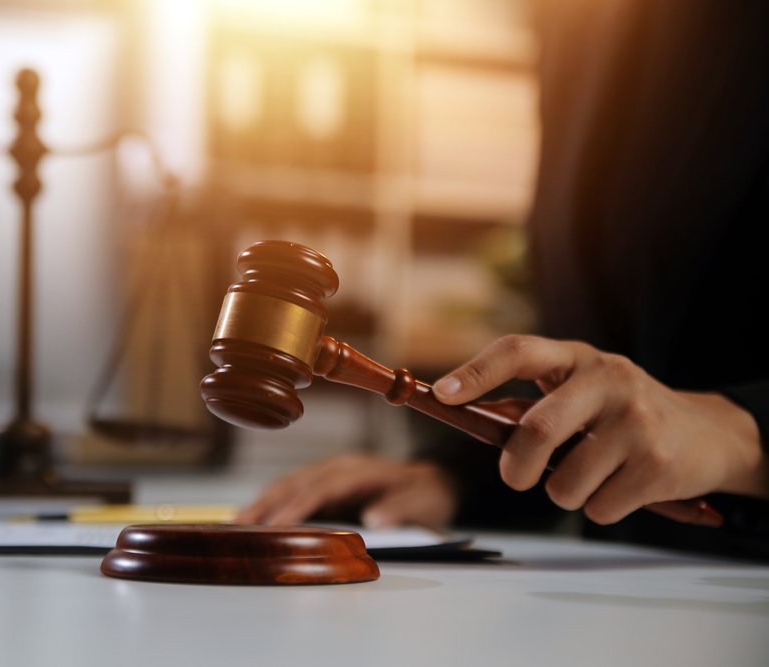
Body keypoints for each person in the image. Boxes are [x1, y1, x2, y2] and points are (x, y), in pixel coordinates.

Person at [236, 0, 769, 559]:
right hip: (622, 592)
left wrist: (744, 433)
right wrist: (453, 478)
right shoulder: (576, 24)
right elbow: (592, 378)